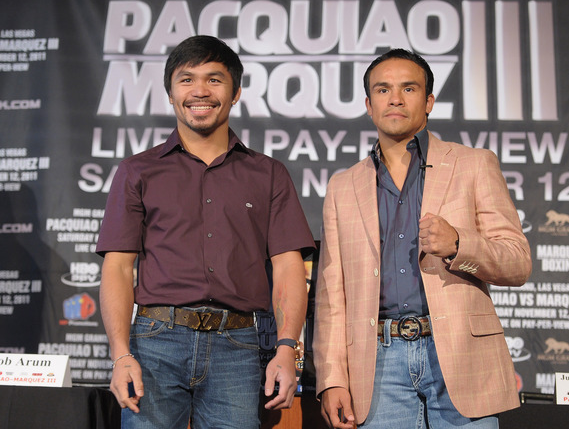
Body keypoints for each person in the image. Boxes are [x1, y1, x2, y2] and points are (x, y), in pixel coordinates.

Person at [96, 35, 314, 429]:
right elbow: (117, 268)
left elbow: (287, 268)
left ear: (235, 93)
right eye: (186, 79)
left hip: (238, 345)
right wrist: (120, 353)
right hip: (156, 341)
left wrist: (286, 348)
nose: (200, 91)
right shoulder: (137, 171)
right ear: (170, 93)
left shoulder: (267, 173)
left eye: (214, 79)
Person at [313, 49, 532, 429]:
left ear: (429, 101)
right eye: (383, 90)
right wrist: (332, 378)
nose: (395, 98)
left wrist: (459, 244)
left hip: (459, 357)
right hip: (377, 365)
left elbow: (517, 261)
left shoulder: (473, 164)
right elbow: (332, 294)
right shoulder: (342, 186)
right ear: (368, 104)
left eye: (408, 88)